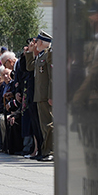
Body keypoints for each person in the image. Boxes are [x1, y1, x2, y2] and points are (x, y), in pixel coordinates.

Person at [34, 30, 55, 162]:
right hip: (40, 95)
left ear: (41, 42)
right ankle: (46, 150)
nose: (34, 43)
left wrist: (52, 95)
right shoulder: (40, 55)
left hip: (46, 96)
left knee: (49, 124)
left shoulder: (49, 54)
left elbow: (52, 77)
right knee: (44, 126)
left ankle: (51, 151)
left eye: (36, 41)